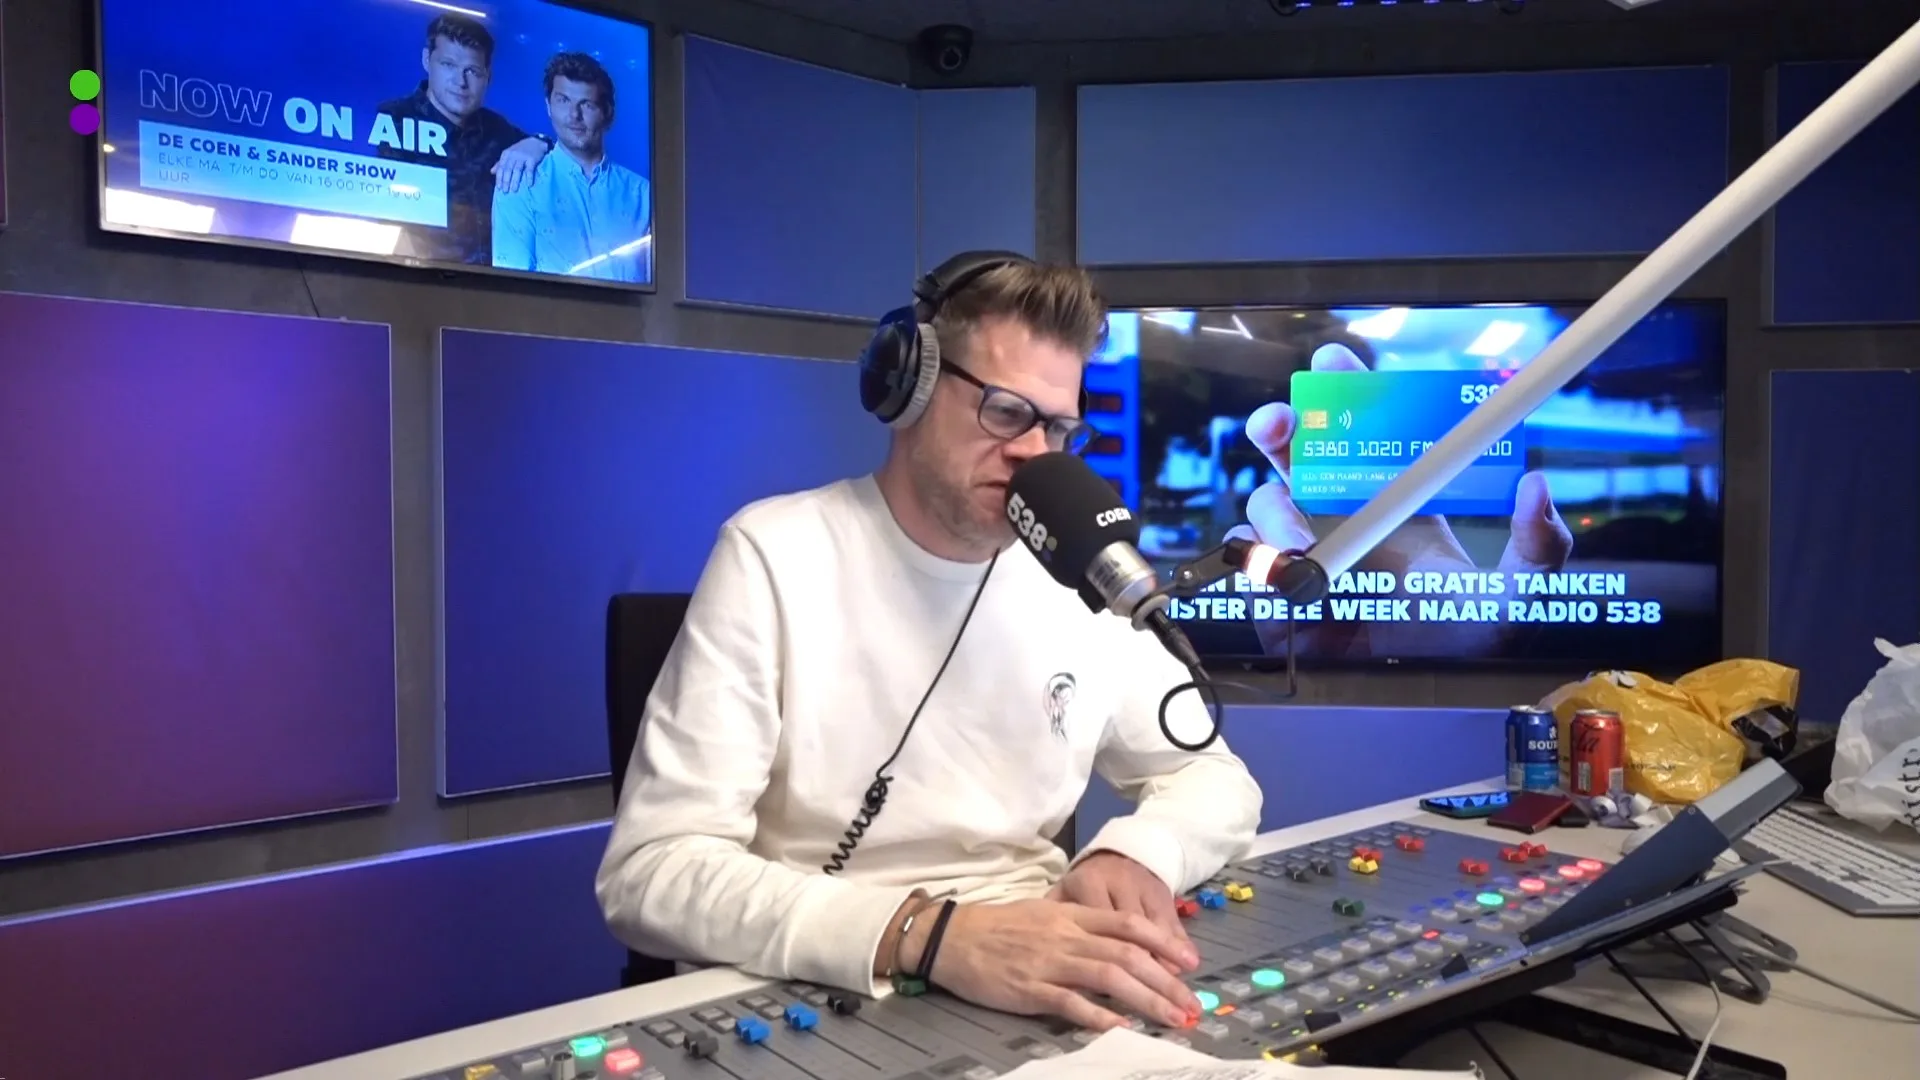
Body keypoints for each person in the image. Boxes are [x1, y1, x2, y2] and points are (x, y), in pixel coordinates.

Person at [596, 254, 1263, 1034]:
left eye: (1056, 428)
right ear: (906, 386)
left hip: (1035, 969)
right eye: (1006, 412)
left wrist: (1141, 851)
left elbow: (1214, 777)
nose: (1032, 452)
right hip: (825, 984)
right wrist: (932, 935)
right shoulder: (773, 555)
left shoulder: (1078, 574)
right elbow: (652, 873)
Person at [375, 13, 551, 264]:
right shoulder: (391, 120)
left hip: (498, 282)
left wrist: (540, 142)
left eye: (473, 71)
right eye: (448, 65)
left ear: (488, 77)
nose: (461, 82)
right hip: (413, 278)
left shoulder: (497, 130)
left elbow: (562, 162)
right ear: (426, 60)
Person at [491, 52, 654, 282]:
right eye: (563, 100)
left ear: (608, 113)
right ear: (548, 106)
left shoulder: (643, 194)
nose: (574, 115)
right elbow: (511, 285)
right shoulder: (520, 183)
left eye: (587, 104)